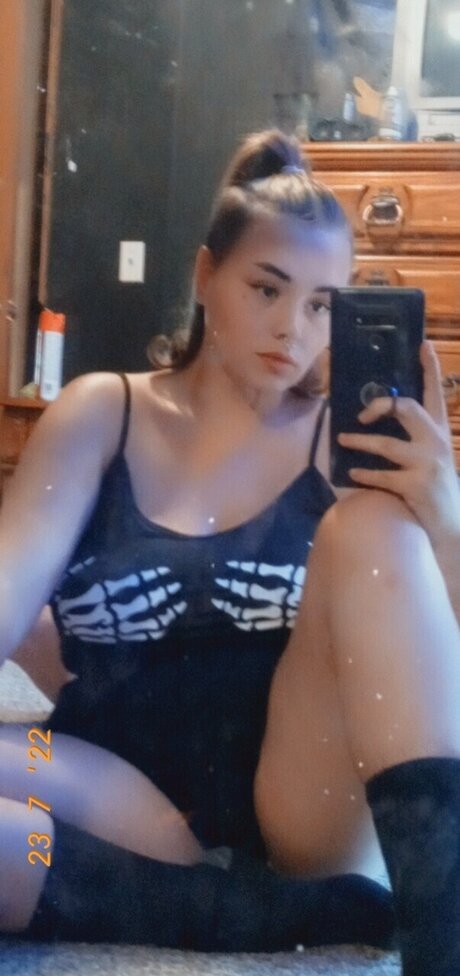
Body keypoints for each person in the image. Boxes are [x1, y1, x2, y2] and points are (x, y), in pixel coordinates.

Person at [1, 128, 460, 973]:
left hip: (297, 804)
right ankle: (223, 914)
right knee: (11, 828)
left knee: (371, 526)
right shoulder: (102, 412)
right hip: (104, 786)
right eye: (267, 288)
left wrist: (446, 517)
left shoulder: (349, 450)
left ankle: (444, 943)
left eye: (322, 305)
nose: (293, 328)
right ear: (207, 276)